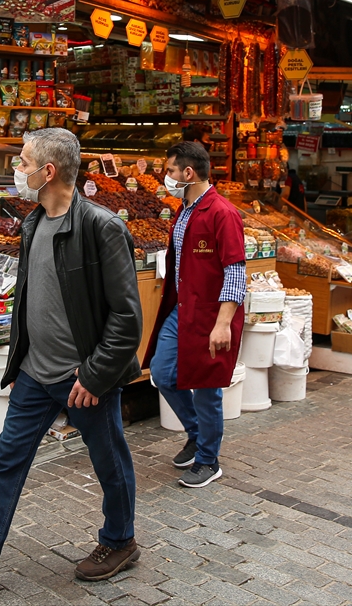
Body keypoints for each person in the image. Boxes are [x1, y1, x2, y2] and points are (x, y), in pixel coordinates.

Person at [0, 128, 143, 599]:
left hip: (83, 379)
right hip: (35, 374)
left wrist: (95, 374)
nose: (15, 172)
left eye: (22, 163)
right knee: (6, 461)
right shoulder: (33, 222)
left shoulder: (101, 227)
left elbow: (127, 316)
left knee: (109, 461)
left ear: (49, 172)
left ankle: (120, 540)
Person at [143, 141, 246, 489]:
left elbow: (235, 270)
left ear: (188, 173)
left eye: (170, 170)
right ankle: (196, 432)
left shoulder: (222, 212)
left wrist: (223, 323)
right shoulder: (184, 209)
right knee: (162, 370)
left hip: (210, 314)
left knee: (206, 387)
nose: (166, 177)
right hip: (181, 308)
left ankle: (208, 460)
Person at [281, 136, 307, 212]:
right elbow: (304, 200)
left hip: (292, 213)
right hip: (300, 214)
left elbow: (285, 194)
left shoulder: (287, 178)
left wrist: (277, 206)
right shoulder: (296, 178)